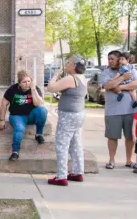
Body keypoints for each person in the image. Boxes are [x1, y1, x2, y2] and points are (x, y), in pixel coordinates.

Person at [46, 54, 88, 186]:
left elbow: (51, 88)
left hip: (68, 116)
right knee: (76, 144)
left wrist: (55, 75)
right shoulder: (82, 78)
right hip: (79, 114)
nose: (66, 64)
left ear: (75, 65)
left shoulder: (71, 78)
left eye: (68, 62)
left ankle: (61, 176)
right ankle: (77, 172)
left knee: (62, 145)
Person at [100, 50, 137, 170]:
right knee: (112, 136)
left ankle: (129, 160)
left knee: (130, 137)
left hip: (130, 110)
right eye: (109, 59)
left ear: (120, 59)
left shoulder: (131, 69)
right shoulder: (106, 72)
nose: (110, 61)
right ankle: (111, 160)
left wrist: (119, 86)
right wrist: (123, 77)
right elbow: (107, 85)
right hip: (112, 111)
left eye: (112, 59)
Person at [0, 70, 48, 161]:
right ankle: (15, 152)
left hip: (30, 115)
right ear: (19, 83)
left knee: (42, 110)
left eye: (29, 81)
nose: (27, 84)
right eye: (24, 82)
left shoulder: (35, 88)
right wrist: (1, 120)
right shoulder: (12, 89)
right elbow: (3, 104)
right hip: (17, 116)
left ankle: (38, 134)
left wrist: (33, 89)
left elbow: (38, 104)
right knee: (20, 129)